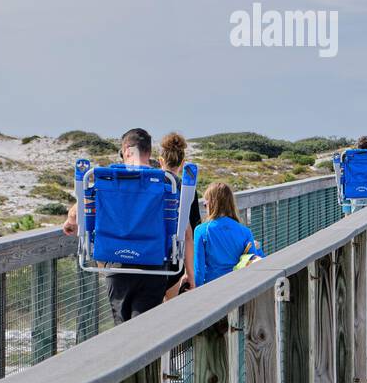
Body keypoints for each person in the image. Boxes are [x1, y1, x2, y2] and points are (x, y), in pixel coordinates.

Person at [61, 127, 196, 323]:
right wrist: (190, 274)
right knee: (146, 329)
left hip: (117, 263)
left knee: (123, 328)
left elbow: (81, 206)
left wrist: (70, 221)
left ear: (125, 151)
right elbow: (185, 232)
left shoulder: (106, 179)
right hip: (154, 263)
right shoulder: (166, 182)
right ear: (149, 153)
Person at [192, 183, 263, 286]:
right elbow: (252, 262)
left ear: (211, 204)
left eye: (205, 204)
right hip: (237, 286)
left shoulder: (201, 230)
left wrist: (195, 293)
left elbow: (199, 270)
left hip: (211, 287)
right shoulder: (245, 231)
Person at [158, 131, 201, 298]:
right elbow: (190, 234)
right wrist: (191, 274)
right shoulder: (187, 190)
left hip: (150, 254)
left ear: (161, 161)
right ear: (182, 163)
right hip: (175, 261)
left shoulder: (151, 186)